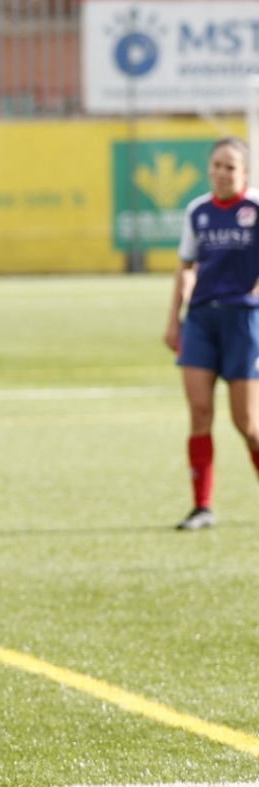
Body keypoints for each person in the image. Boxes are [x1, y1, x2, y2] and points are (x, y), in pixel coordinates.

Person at [163, 136, 259, 531]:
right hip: (202, 319)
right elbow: (186, 266)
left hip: (243, 322)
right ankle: (202, 507)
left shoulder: (255, 209)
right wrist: (174, 318)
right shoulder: (198, 211)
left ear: (244, 173)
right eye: (216, 165)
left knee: (247, 423)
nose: (221, 173)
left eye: (230, 167)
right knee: (200, 412)